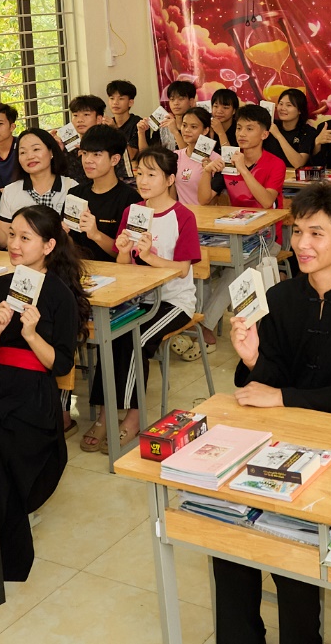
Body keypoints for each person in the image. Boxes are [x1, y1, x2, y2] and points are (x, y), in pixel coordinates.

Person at [216, 183, 331, 644]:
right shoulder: (280, 298)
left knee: (291, 543)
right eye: (297, 231)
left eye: (316, 233)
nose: (302, 243)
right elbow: (267, 381)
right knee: (226, 532)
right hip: (283, 439)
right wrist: (253, 358)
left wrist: (285, 398)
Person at [0, 204, 86, 575]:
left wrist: (32, 335)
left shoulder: (60, 295)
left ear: (49, 245)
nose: (14, 244)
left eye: (25, 237)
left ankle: (5, 522)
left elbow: (62, 365)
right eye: (11, 235)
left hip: (33, 393)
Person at [82, 147, 201, 451]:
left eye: (151, 174)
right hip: (138, 299)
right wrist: (124, 250)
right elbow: (124, 266)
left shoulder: (182, 216)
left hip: (174, 302)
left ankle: (133, 417)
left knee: (137, 338)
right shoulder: (133, 212)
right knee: (110, 336)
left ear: (170, 179)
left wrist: (149, 256)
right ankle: (106, 413)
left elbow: (182, 269)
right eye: (139, 173)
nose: (143, 181)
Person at [0, 128, 76, 248]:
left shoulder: (72, 188)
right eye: (23, 152)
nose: (29, 156)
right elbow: (4, 241)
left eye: (36, 149)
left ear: (51, 152)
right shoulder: (11, 191)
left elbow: (79, 244)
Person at [69, 125, 141, 262]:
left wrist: (96, 234)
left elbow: (128, 255)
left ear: (114, 159)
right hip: (78, 270)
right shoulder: (75, 194)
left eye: (96, 154)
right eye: (85, 153)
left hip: (115, 272)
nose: (88, 160)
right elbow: (69, 247)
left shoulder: (131, 200)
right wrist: (63, 235)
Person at [201, 104, 287, 211]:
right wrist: (207, 171)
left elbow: (267, 202)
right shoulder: (229, 159)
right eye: (239, 128)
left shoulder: (276, 164)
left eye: (249, 129)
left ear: (264, 135)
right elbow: (204, 200)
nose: (241, 134)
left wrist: (243, 169)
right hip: (237, 219)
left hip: (269, 221)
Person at [65, 94, 134, 186]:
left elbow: (127, 180)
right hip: (74, 193)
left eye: (86, 114)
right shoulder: (68, 146)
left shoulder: (114, 143)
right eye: (75, 115)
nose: (80, 120)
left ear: (99, 119)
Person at [174, 106, 220, 208]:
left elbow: (209, 199)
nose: (187, 130)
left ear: (205, 130)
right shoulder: (176, 156)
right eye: (184, 125)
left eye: (193, 127)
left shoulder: (216, 159)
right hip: (182, 213)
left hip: (206, 215)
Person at [264, 86, 315, 170]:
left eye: (289, 105)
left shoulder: (308, 132)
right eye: (281, 104)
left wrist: (278, 135)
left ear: (300, 110)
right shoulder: (269, 126)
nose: (283, 108)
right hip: (269, 173)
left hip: (294, 177)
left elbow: (298, 163)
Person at [139, 79, 197, 151]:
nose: (176, 103)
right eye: (172, 99)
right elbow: (146, 154)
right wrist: (141, 133)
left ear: (191, 101)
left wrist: (175, 132)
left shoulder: (197, 126)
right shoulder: (163, 126)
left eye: (181, 99)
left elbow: (190, 155)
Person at [105, 80, 142, 157]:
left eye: (121, 99)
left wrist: (115, 129)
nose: (115, 102)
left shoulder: (138, 123)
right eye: (112, 98)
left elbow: (131, 155)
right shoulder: (107, 124)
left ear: (130, 102)